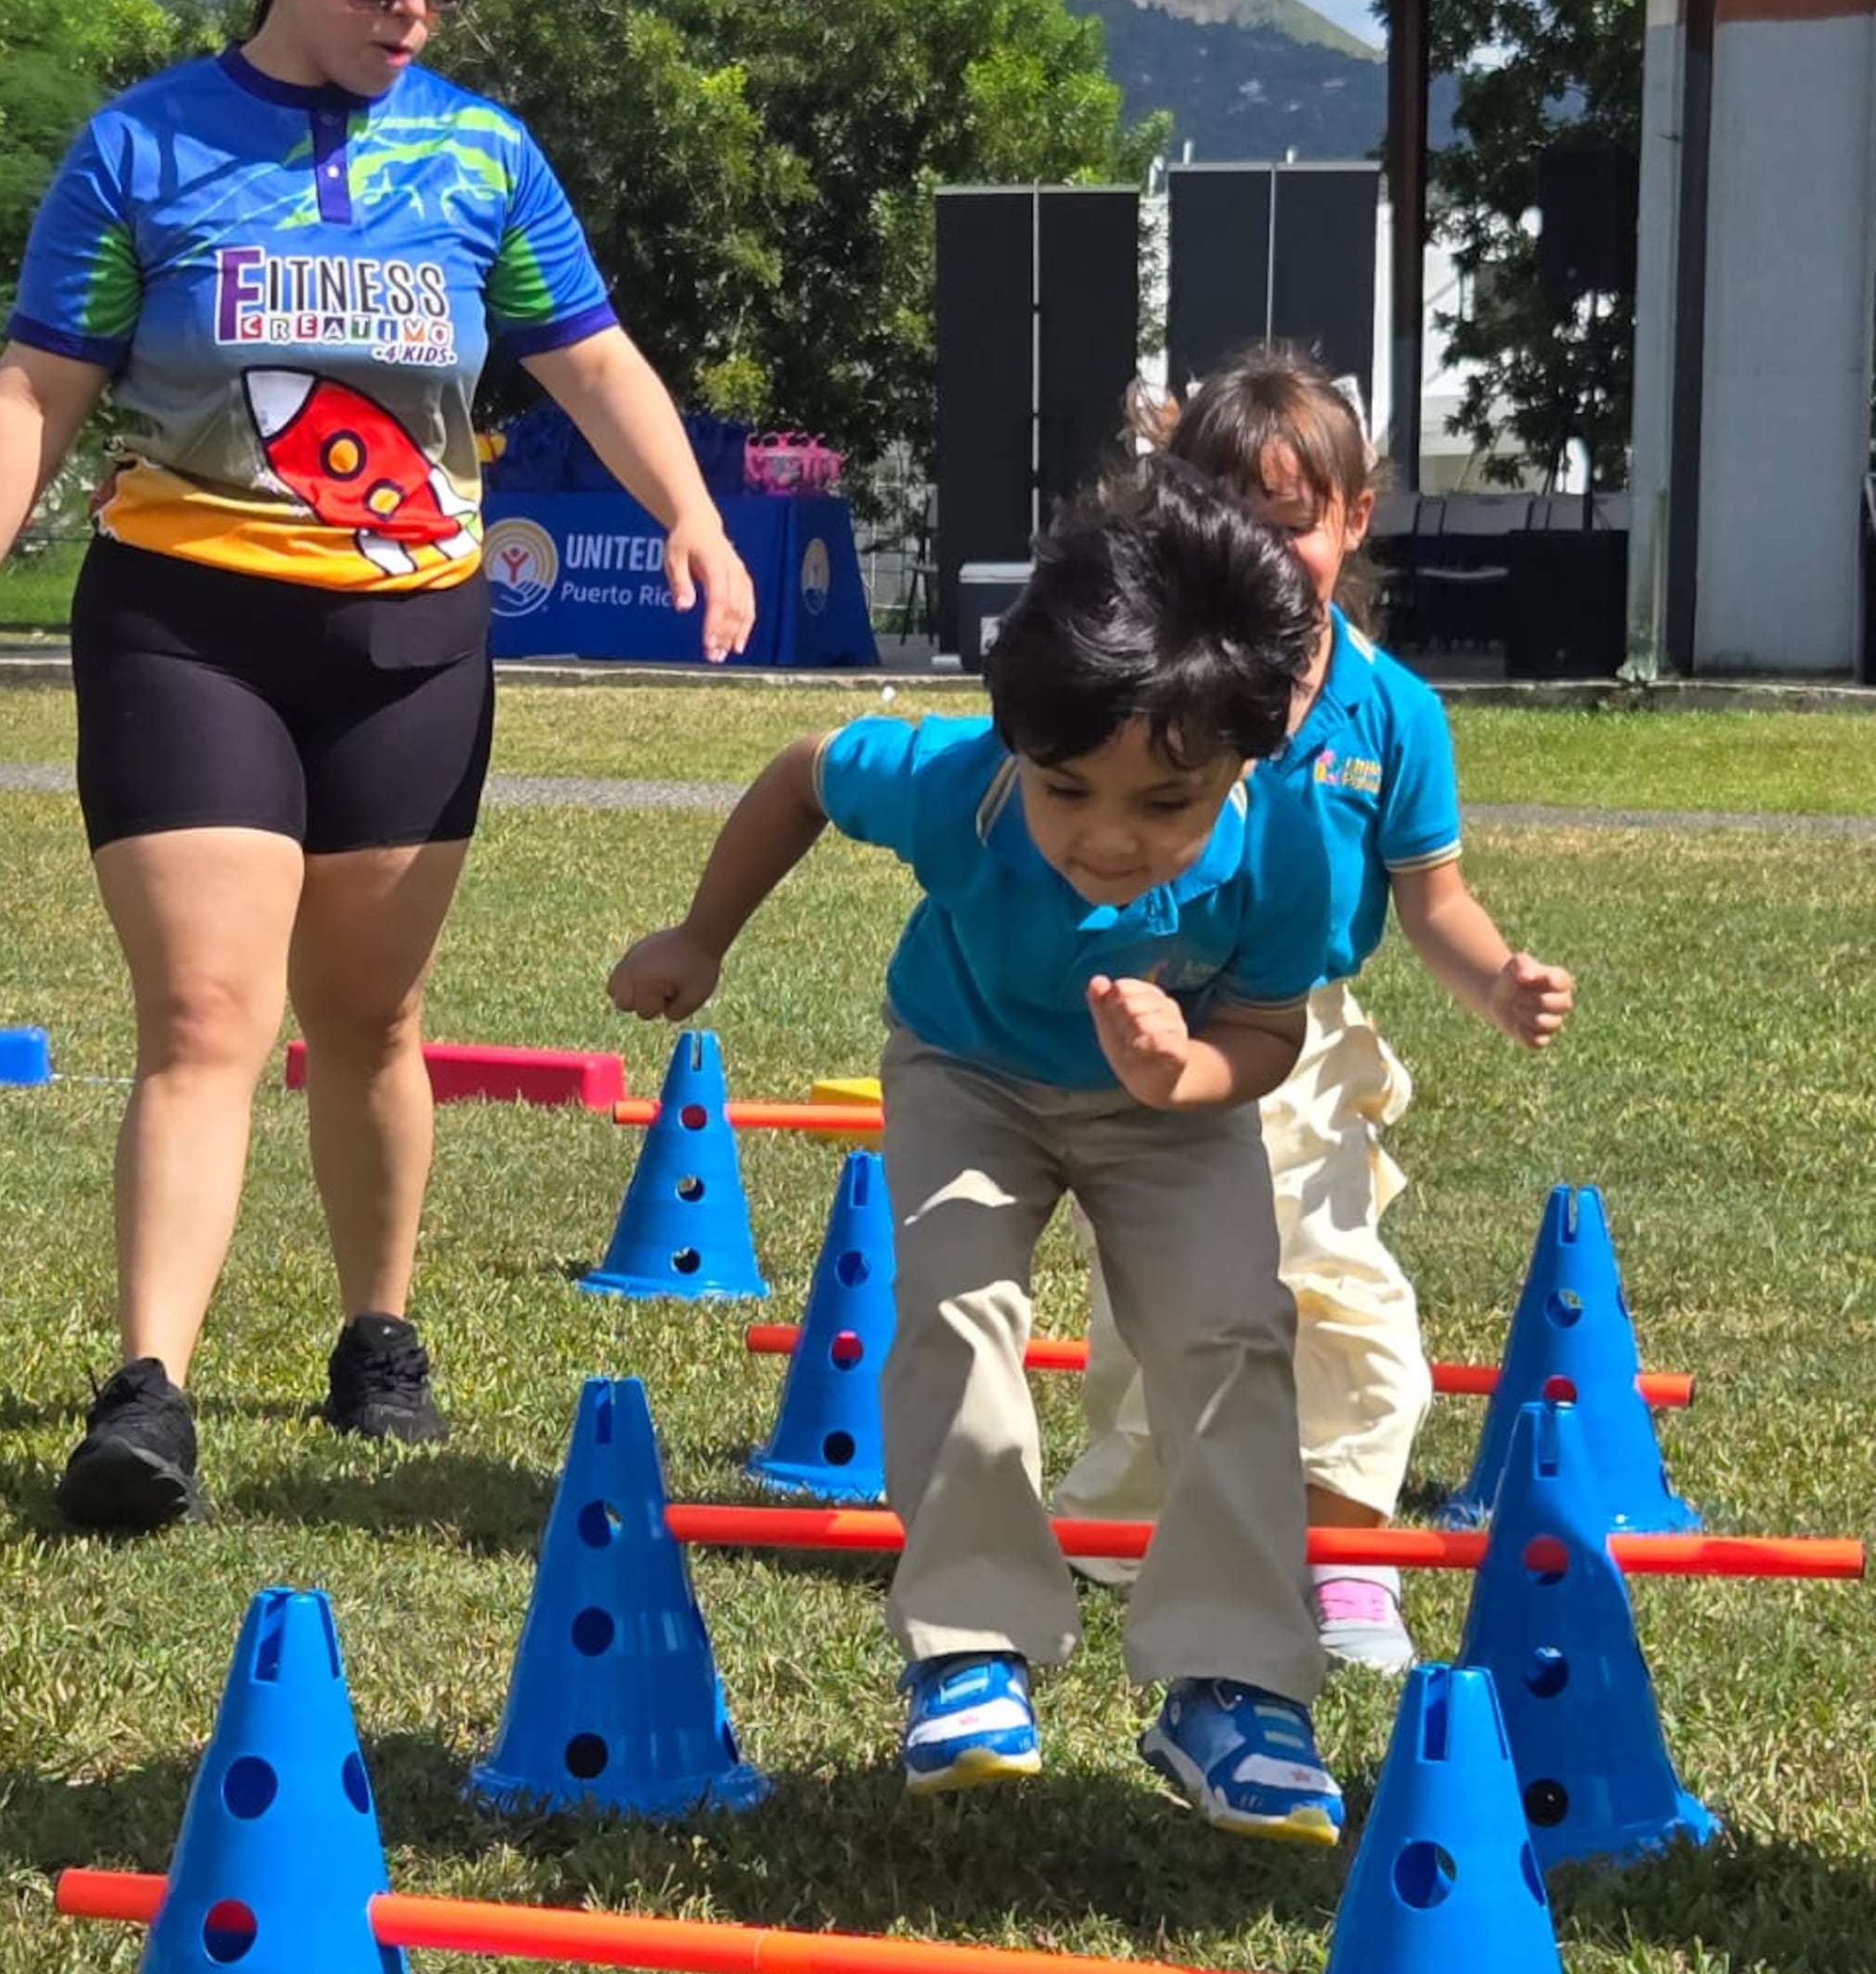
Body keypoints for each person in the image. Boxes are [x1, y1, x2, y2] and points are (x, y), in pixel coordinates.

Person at [0, 0, 754, 1531]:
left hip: (413, 638)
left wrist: (692, 509)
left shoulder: (485, 158)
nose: (412, 12)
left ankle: (379, 1336)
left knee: (370, 1011)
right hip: (187, 623)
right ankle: (150, 1392)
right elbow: (37, 387)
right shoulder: (140, 148)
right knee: (206, 1012)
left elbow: (591, 355)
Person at [609, 461, 1349, 1844]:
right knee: (953, 1299)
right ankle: (969, 1645)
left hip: (1171, 1108)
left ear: (1244, 759)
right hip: (967, 1071)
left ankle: (1233, 1684)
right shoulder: (956, 786)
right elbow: (802, 775)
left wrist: (1182, 1068)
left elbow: (1265, 1028)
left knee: (1229, 1334)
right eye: (1068, 790)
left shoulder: (1288, 844)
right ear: (1014, 738)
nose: (1110, 839)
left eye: (1165, 804)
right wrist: (698, 937)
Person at [1053, 349, 1573, 1673]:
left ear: (1353, 520)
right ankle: (1127, 1532)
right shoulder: (1156, 674)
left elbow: (1433, 900)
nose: (1274, 558)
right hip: (1159, 1021)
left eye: (1298, 528)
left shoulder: (1392, 711)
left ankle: (1342, 1558)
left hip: (1307, 1043)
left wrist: (1499, 975)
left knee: (1345, 1300)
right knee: (1160, 1312)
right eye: (1241, 528)